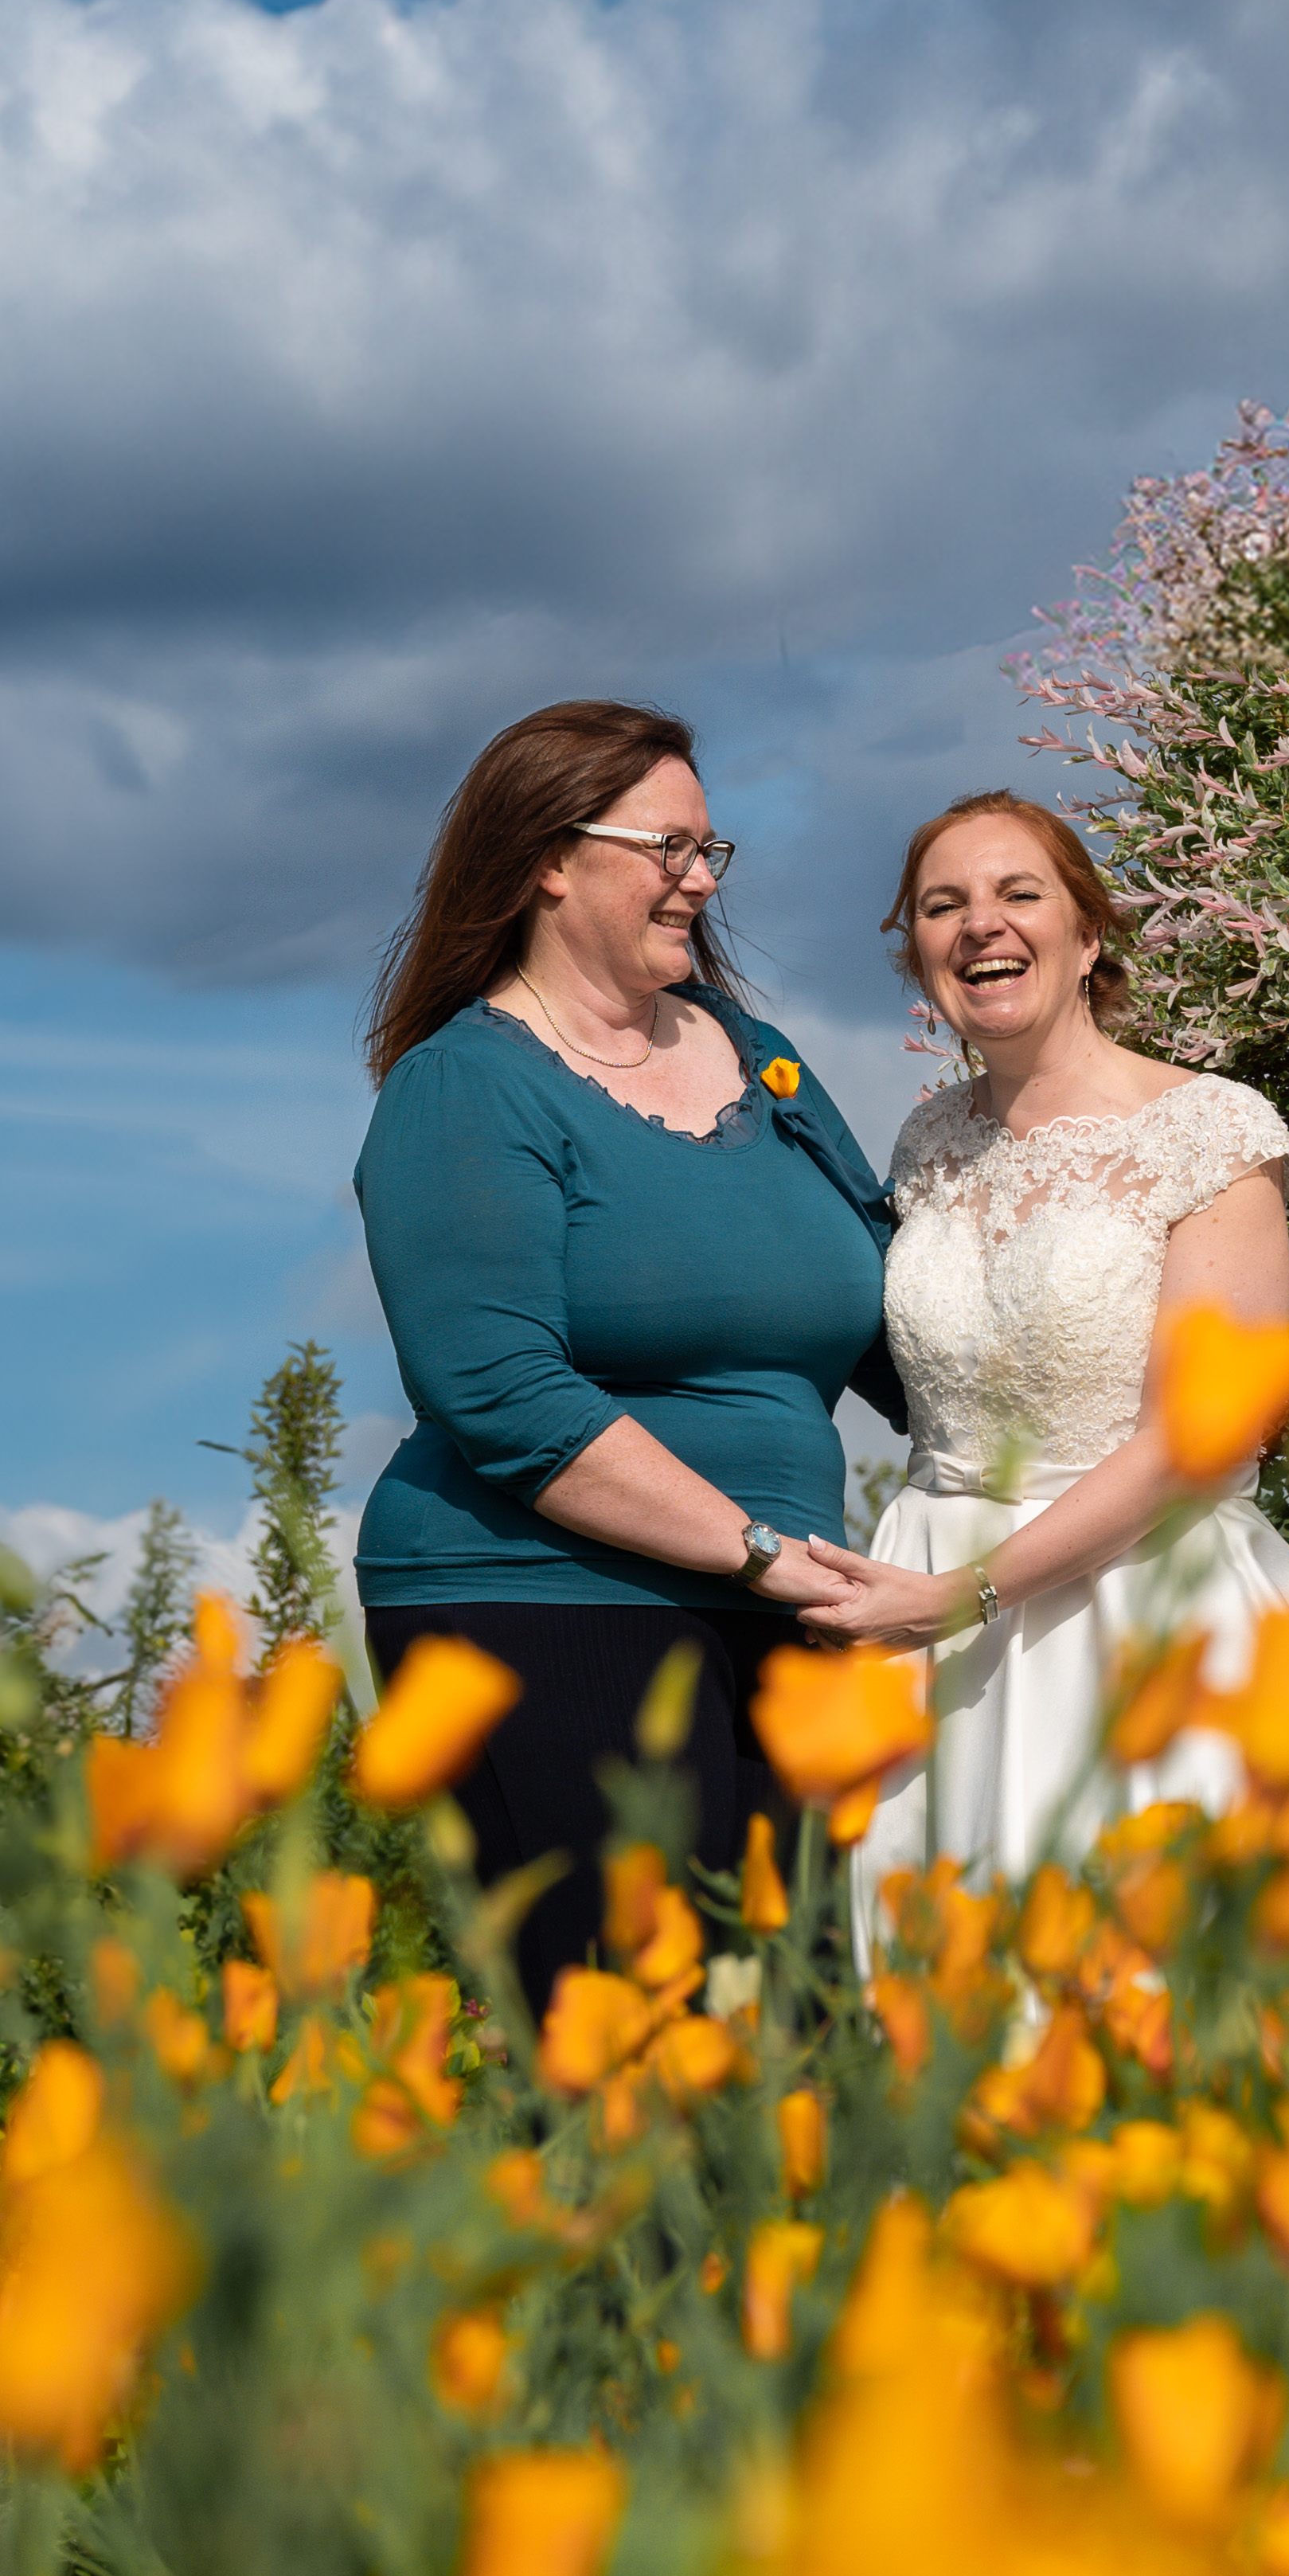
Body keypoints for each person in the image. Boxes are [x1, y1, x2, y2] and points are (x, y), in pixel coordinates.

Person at [353, 700, 899, 2014]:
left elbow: (899, 1308)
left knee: (803, 2047)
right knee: (643, 2051)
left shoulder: (757, 1055)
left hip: (776, 1611)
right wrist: (759, 1552)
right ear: (550, 857)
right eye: (670, 848)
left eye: (715, 851)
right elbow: (502, 1395)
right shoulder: (466, 1087)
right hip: (544, 1597)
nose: (702, 881)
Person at [787, 790, 1289, 1895]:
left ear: (1089, 935)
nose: (981, 923)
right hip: (927, 1607)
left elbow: (1202, 1441)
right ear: (921, 955)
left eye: (1018, 893)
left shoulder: (1211, 1130)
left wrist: (966, 1592)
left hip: (1144, 1608)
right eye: (944, 905)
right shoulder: (927, 1141)